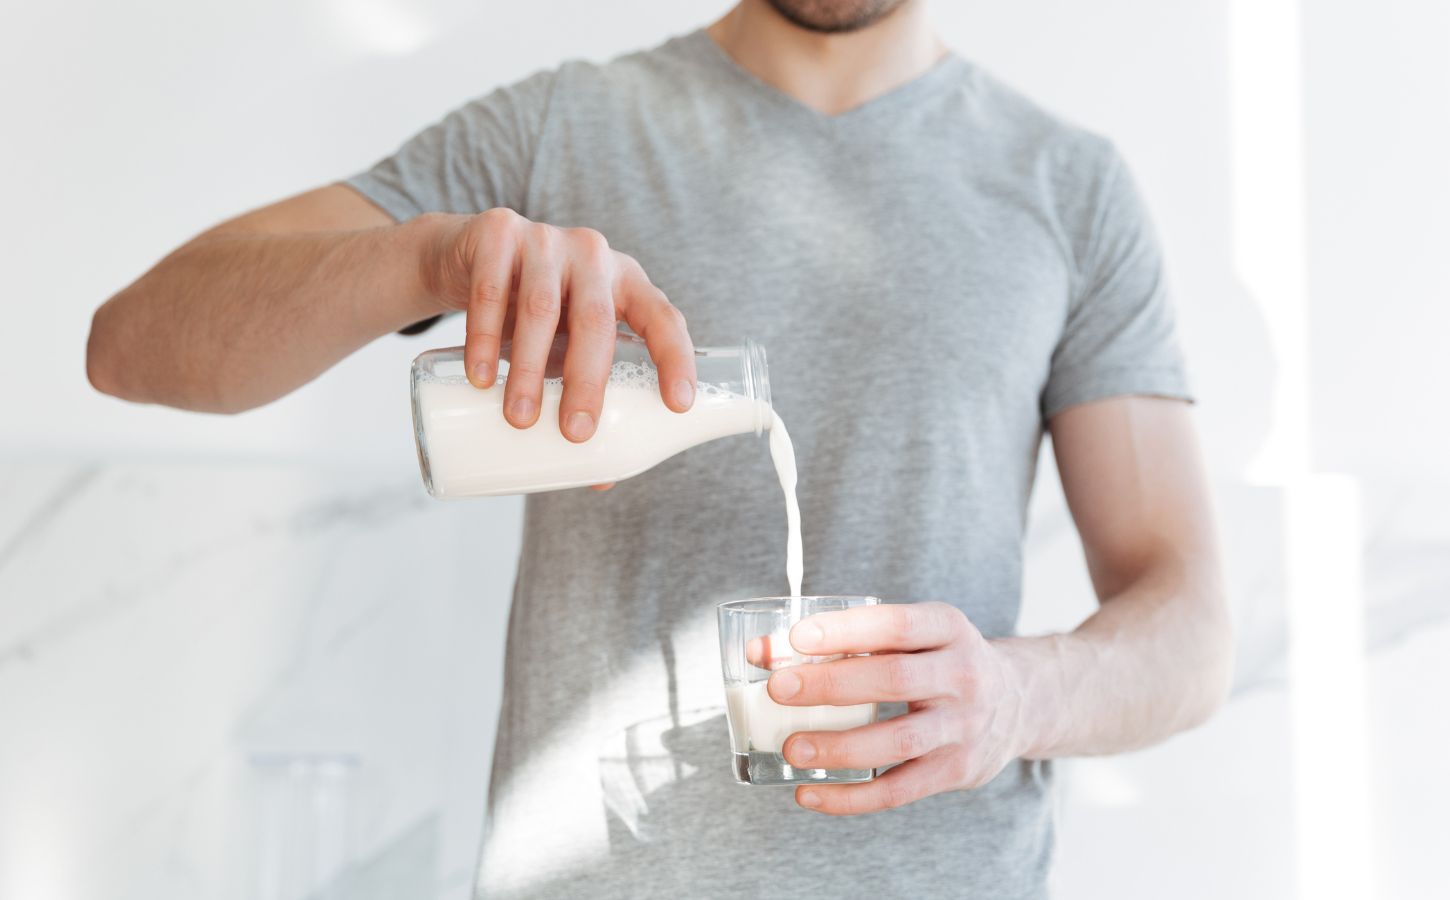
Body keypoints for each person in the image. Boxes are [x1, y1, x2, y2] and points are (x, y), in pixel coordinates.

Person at [86, 0, 1234, 896]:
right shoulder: (562, 134)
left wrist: (1016, 698)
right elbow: (133, 345)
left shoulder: (1068, 190)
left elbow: (1185, 625)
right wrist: (432, 260)